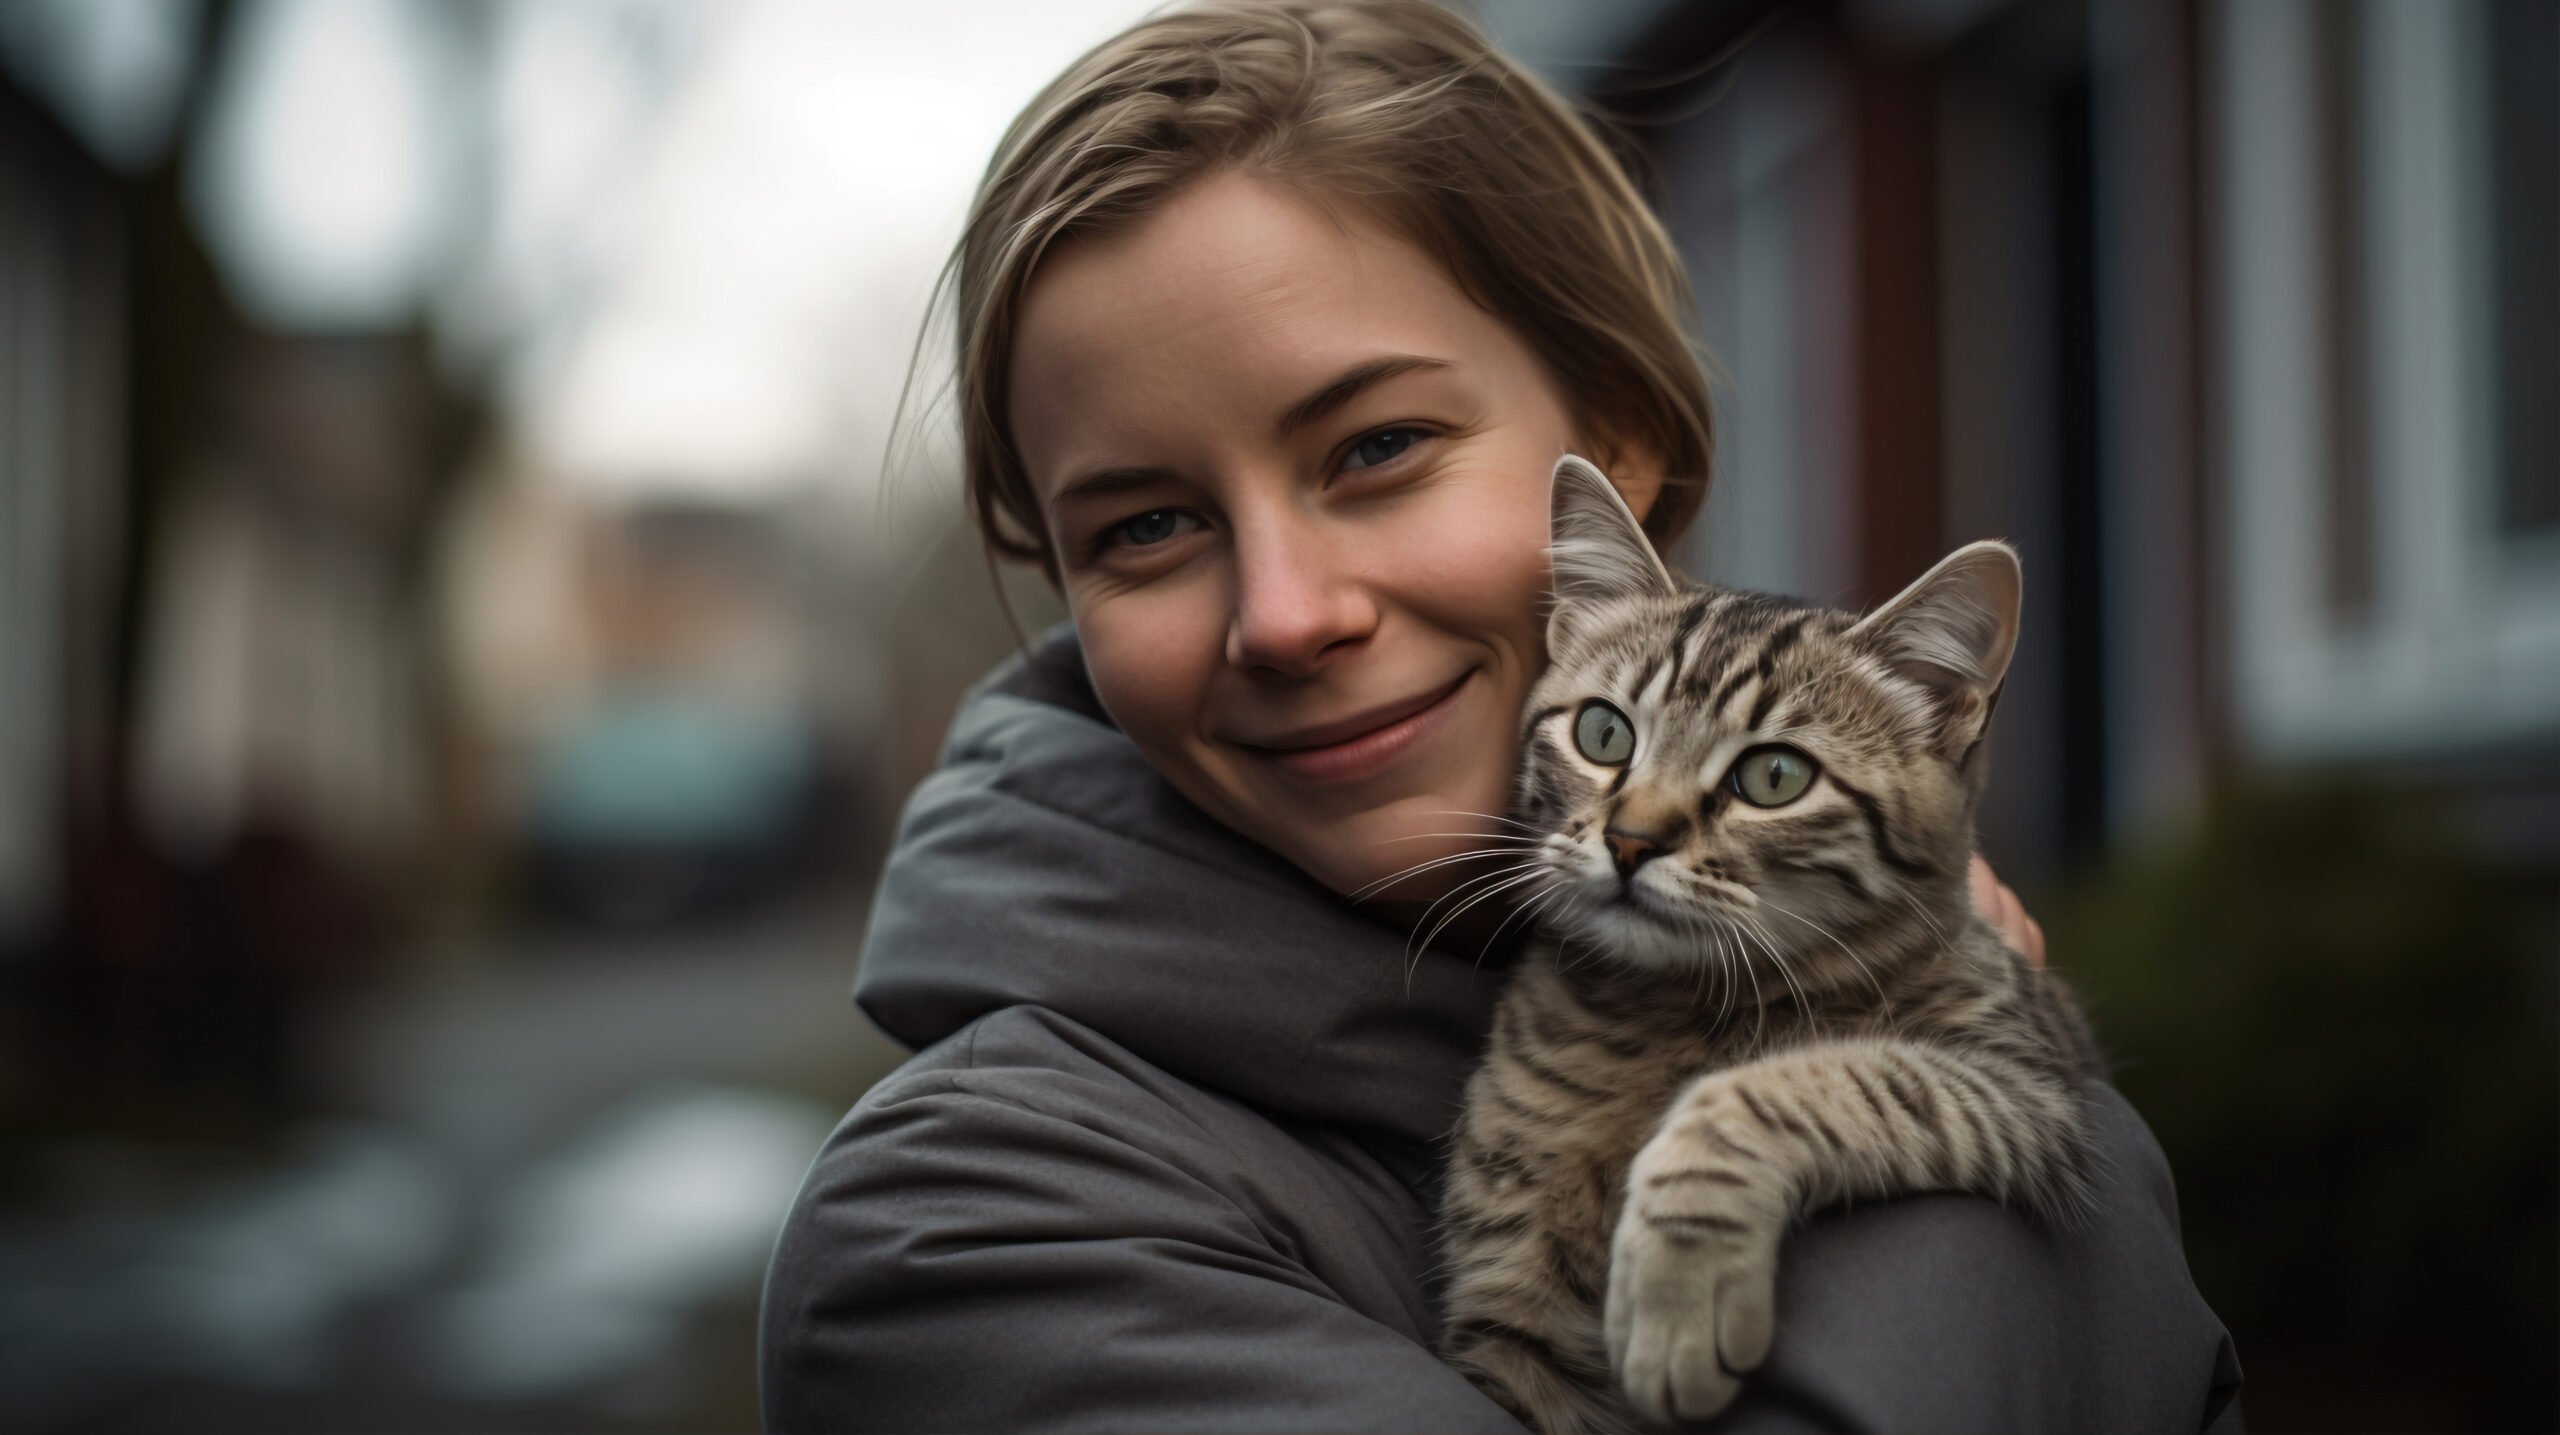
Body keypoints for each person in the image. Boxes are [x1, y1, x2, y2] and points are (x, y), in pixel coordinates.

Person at [759, 3, 2241, 1429]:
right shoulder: (960, 1228)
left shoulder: (1806, 917)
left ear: (1619, 446)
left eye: (1378, 447)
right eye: (1144, 527)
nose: (1286, 614)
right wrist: (1961, 1114)